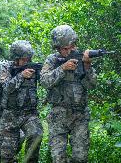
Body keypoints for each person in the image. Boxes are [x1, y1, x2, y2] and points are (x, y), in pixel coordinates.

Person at [40, 25, 97, 163]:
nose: (70, 50)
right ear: (57, 48)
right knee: (58, 158)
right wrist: (62, 69)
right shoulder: (52, 60)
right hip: (58, 116)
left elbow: (92, 85)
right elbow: (44, 81)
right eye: (65, 48)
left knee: (80, 157)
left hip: (80, 116)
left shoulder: (82, 58)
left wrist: (87, 66)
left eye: (72, 46)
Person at [0, 40, 43, 163]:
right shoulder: (5, 67)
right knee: (7, 155)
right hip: (10, 115)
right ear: (15, 58)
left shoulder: (34, 67)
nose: (26, 62)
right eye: (23, 59)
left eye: (28, 59)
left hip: (29, 114)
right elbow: (6, 87)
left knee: (36, 134)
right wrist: (21, 76)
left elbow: (46, 81)